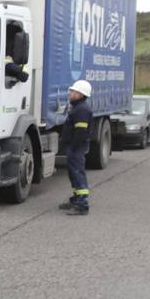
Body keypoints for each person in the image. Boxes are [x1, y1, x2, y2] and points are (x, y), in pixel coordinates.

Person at [60, 79, 93, 215]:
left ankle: (82, 204)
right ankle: (76, 198)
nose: (71, 93)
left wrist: (73, 148)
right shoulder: (78, 107)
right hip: (74, 147)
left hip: (77, 147)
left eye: (73, 91)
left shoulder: (81, 110)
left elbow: (80, 132)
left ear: (80, 94)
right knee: (73, 173)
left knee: (78, 173)